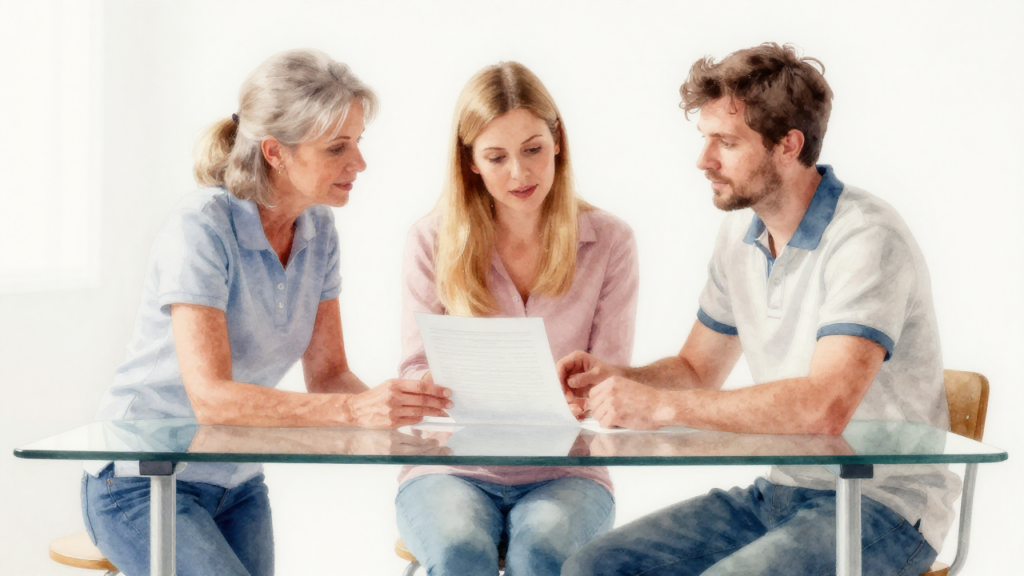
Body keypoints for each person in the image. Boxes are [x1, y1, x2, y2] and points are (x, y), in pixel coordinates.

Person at [559, 43, 960, 576]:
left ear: (788, 145)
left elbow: (823, 408)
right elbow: (697, 370)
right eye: (706, 140)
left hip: (883, 506)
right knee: (593, 567)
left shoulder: (866, 239)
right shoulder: (740, 236)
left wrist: (662, 409)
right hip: (781, 492)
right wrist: (623, 379)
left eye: (726, 142)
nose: (704, 160)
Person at [81, 49, 451, 576]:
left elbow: (328, 375)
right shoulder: (200, 229)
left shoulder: (319, 231)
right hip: (140, 483)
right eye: (337, 147)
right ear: (275, 152)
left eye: (358, 142)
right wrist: (356, 413)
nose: (359, 163)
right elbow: (211, 398)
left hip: (235, 481)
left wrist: (402, 419)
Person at [395, 61, 639, 576]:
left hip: (568, 472)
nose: (519, 174)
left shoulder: (610, 241)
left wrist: (588, 392)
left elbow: (614, 379)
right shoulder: (431, 241)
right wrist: (448, 384)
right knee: (462, 550)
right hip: (449, 469)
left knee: (541, 553)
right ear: (471, 164)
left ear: (558, 144)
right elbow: (412, 372)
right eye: (496, 156)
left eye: (532, 149)